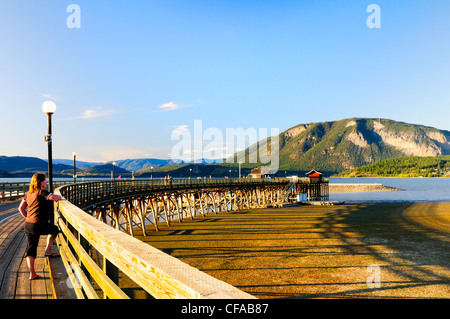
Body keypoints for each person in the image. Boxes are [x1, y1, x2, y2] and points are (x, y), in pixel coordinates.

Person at [18, 173, 61, 280]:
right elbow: (56, 198)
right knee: (54, 229)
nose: (46, 182)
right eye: (45, 181)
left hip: (28, 224)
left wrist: (28, 217)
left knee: (31, 249)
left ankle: (32, 274)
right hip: (39, 224)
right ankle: (48, 250)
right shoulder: (42, 192)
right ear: (41, 182)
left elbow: (21, 209)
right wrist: (60, 196)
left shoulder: (28, 193)